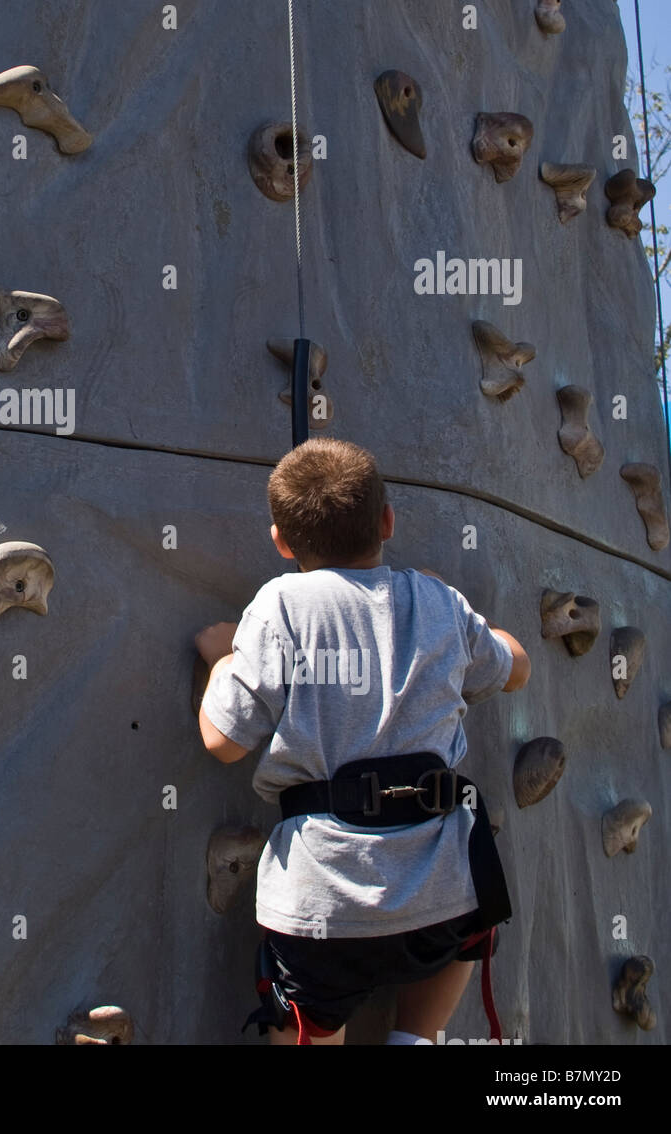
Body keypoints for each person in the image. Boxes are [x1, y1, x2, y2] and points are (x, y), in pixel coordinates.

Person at [195, 437, 530, 1044]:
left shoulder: (279, 605)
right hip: (442, 893)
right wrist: (459, 624)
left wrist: (222, 661)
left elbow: (223, 740)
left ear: (280, 541)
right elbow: (518, 665)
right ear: (388, 521)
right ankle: (417, 1036)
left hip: (327, 902)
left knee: (311, 1018)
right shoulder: (438, 603)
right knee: (465, 927)